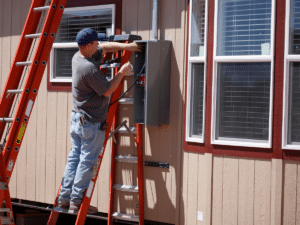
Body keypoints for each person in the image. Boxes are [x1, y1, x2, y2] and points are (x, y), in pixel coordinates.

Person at [56, 28, 141, 213]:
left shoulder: (78, 57)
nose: (98, 46)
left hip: (77, 119)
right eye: (95, 43)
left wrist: (130, 47)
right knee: (87, 160)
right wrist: (122, 71)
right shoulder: (88, 68)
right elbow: (108, 90)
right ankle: (76, 201)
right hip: (90, 122)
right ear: (88, 46)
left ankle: (64, 198)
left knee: (74, 158)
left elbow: (106, 47)